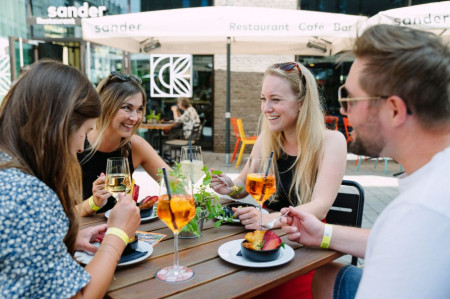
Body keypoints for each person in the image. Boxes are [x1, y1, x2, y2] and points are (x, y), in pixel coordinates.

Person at [281, 24, 450, 299]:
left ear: (394, 110)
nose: (344, 111)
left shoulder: (422, 211)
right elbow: (399, 243)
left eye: (349, 99)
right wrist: (323, 233)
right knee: (326, 275)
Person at [0, 60, 140, 298]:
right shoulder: (28, 195)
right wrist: (117, 234)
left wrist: (64, 238)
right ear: (57, 126)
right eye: (84, 132)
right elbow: (81, 296)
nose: (79, 147)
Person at [210, 62, 347, 298]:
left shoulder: (332, 141)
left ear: (302, 102)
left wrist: (270, 219)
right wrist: (229, 187)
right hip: (261, 237)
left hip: (304, 242)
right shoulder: (269, 136)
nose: (266, 108)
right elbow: (243, 187)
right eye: (263, 98)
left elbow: (321, 205)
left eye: (276, 99)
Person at [77, 71, 170, 216]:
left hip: (123, 233)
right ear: (107, 106)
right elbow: (58, 215)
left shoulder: (135, 145)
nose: (135, 117)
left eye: (139, 109)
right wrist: (94, 202)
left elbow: (176, 185)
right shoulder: (76, 143)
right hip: (79, 234)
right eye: (127, 107)